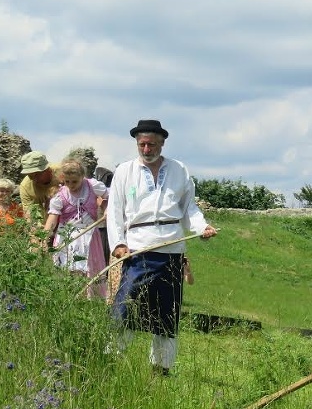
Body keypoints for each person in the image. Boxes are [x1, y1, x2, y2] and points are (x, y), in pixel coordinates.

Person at [107, 119, 217, 375]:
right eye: (142, 144)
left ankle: (161, 369)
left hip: (171, 250)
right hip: (138, 251)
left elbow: (189, 208)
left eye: (151, 144)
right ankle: (112, 362)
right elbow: (114, 213)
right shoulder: (125, 171)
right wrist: (119, 244)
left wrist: (202, 228)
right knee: (125, 309)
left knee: (166, 314)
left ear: (162, 143)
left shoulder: (179, 170)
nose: (146, 149)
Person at [43, 158, 109, 298]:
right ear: (63, 178)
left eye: (75, 181)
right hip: (67, 237)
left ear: (82, 177)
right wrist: (44, 236)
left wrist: (106, 207)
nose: (71, 185)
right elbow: (52, 219)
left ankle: (92, 303)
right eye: (67, 181)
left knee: (91, 272)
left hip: (89, 235)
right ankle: (71, 302)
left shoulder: (92, 186)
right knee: (69, 272)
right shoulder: (60, 195)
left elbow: (108, 197)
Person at [18, 151, 61, 229]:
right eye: (30, 176)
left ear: (47, 169)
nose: (34, 180)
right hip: (45, 227)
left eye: (36, 175)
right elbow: (30, 215)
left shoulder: (63, 172)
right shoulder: (25, 187)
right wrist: (36, 232)